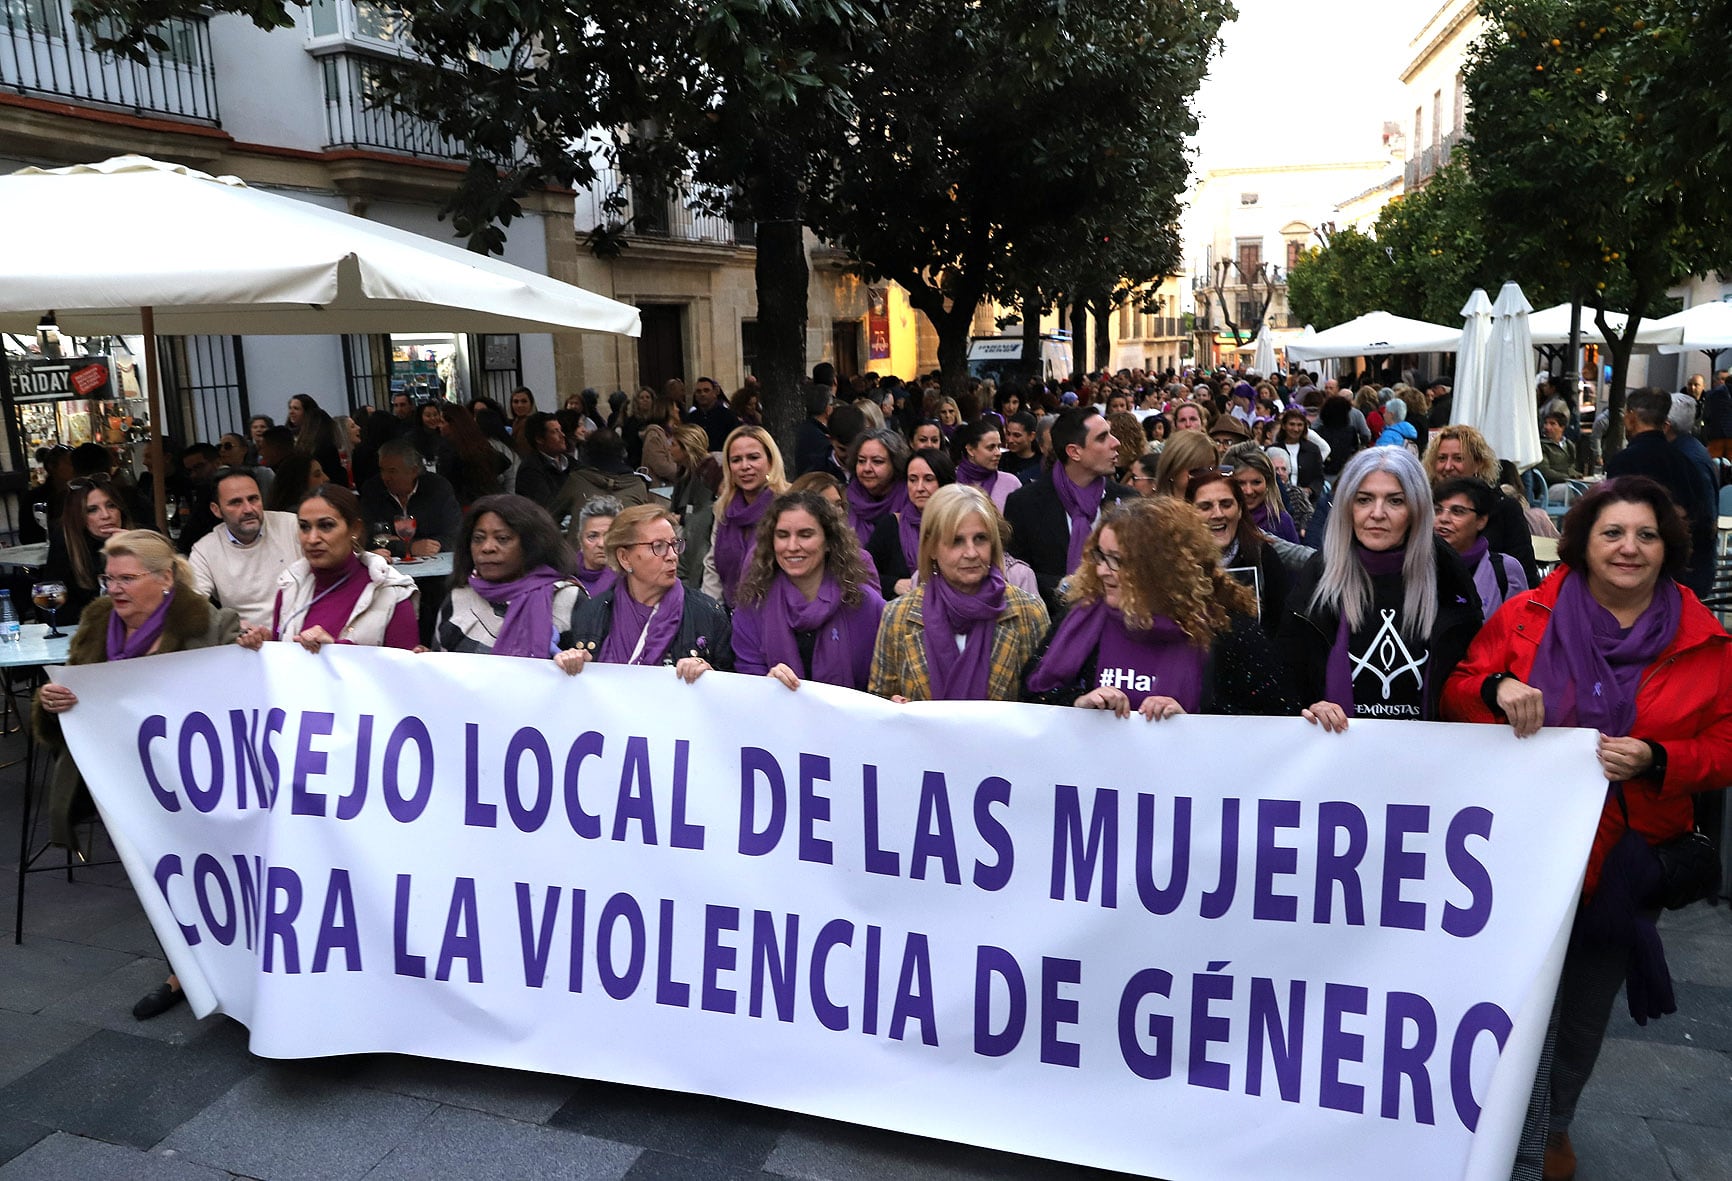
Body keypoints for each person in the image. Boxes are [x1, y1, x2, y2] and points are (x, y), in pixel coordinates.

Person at [1441, 476, 1732, 1181]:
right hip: (1519, 853)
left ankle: (1556, 1122)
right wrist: (1494, 687)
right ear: (1583, 541)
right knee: (1507, 999)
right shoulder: (1524, 617)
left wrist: (1662, 758)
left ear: (1668, 547)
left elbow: (1724, 747)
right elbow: (1455, 692)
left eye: (1646, 534)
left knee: (1583, 1006)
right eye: (1613, 532)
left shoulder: (1706, 641)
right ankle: (1484, 1117)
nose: (1629, 547)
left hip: (1630, 859)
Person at [36, 530, 243, 1021]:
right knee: (157, 876)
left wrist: (254, 648)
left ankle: (233, 966)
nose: (116, 589)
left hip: (197, 782)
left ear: (165, 579)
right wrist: (50, 703)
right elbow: (66, 692)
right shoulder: (96, 623)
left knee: (211, 873)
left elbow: (244, 696)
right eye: (110, 578)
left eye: (128, 578)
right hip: (121, 782)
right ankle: (181, 974)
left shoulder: (211, 625)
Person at [1025, 498, 1292, 716]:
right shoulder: (1080, 617)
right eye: (1101, 556)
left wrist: (1194, 718)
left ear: (1159, 570)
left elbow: (1276, 720)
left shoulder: (1227, 630)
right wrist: (1079, 704)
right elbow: (1029, 697)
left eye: (1117, 560)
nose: (1103, 571)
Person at [1283, 448, 1482, 729]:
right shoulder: (1317, 577)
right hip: (1336, 758)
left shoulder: (1448, 576)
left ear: (1416, 510)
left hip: (1430, 759)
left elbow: (1469, 679)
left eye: (1395, 501)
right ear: (1347, 508)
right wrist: (1311, 706)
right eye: (1364, 500)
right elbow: (1288, 682)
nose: (1377, 513)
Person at [869, 485, 1049, 702]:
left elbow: (1044, 704)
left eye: (980, 539)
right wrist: (893, 708)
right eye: (957, 541)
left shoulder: (1028, 612)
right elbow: (878, 701)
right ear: (932, 548)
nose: (971, 553)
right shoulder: (897, 616)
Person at [731, 490, 886, 691]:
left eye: (805, 535)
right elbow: (745, 683)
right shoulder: (752, 606)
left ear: (829, 541)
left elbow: (885, 687)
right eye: (782, 535)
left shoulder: (866, 605)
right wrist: (767, 685)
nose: (792, 546)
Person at [558, 504, 731, 678]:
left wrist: (709, 674)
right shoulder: (590, 613)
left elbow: (732, 686)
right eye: (658, 546)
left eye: (674, 544)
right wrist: (571, 663)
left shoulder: (708, 614)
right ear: (625, 558)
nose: (672, 556)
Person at [240, 483, 419, 651]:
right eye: (304, 527)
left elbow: (402, 673)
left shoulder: (391, 592)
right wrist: (266, 644)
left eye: (326, 526)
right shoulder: (289, 586)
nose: (312, 539)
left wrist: (335, 650)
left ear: (355, 530)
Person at [1004, 407, 1133, 613]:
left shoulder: (1128, 502)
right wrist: (1064, 586)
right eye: (1102, 437)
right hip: (1051, 623)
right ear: (1074, 452)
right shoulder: (1024, 503)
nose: (1116, 442)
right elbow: (1014, 572)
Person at [435, 494, 583, 657]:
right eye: (478, 538)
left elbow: (595, 675)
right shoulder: (459, 598)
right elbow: (440, 669)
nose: (487, 547)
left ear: (532, 544)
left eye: (502, 538)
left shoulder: (568, 599)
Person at [1604, 388, 1716, 601]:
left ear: (1631, 416)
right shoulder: (1685, 462)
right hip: (1683, 570)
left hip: (1639, 573)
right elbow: (1701, 516)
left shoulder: (1625, 461)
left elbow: (1616, 519)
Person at [1423, 425, 1542, 585]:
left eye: (1458, 458)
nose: (1448, 466)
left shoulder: (1504, 508)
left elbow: (1525, 574)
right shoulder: (1424, 506)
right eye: (1442, 458)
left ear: (1478, 463)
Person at [189, 468, 302, 627]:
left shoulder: (293, 525)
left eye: (253, 499)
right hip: (247, 642)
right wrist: (233, 628)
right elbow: (193, 606)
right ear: (216, 510)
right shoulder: (205, 550)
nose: (248, 509)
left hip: (302, 636)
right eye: (236, 502)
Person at [1185, 466, 1288, 634]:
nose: (1218, 514)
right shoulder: (1176, 562)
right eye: (1205, 507)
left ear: (1240, 510)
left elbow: (1280, 625)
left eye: (1226, 504)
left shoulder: (1263, 556)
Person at [702, 425, 790, 607]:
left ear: (771, 461)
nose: (745, 466)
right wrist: (712, 614)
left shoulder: (790, 504)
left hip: (779, 612)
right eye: (736, 460)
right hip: (731, 615)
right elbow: (713, 567)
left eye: (753, 457)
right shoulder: (724, 509)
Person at [1433, 477, 1529, 621]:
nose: (1443, 518)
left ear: (1481, 521)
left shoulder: (1505, 571)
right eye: (1437, 510)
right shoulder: (1415, 565)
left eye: (1457, 511)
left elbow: (1519, 631)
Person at [866, 447, 955, 596]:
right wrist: (893, 584)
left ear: (944, 482)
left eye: (928, 479)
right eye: (913, 480)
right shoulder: (892, 525)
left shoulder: (960, 524)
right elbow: (864, 573)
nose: (919, 488)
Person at [45, 474, 136, 616]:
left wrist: (134, 550)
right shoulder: (66, 546)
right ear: (79, 517)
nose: (105, 515)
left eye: (111, 506)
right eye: (92, 510)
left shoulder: (143, 537)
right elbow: (55, 611)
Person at [358, 439, 463, 556]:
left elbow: (455, 535)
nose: (385, 477)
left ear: (414, 471)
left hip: (435, 565)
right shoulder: (373, 490)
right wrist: (409, 547)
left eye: (392, 471)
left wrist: (427, 546)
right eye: (382, 470)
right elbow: (367, 540)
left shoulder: (437, 488)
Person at [1224, 445, 1301, 545]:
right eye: (1240, 483)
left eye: (1256, 482)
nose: (1248, 491)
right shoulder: (1218, 519)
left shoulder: (1281, 521)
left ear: (1268, 483)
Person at [951, 419, 1022, 511]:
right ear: (970, 450)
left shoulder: (1011, 483)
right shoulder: (951, 481)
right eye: (991, 447)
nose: (998, 453)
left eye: (999, 447)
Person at [512, 412, 571, 512]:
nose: (562, 435)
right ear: (540, 439)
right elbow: (548, 507)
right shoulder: (530, 469)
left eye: (561, 430)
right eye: (555, 432)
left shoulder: (571, 462)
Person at [571, 495, 621, 597]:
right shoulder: (561, 577)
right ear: (580, 540)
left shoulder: (631, 582)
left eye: (609, 536)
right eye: (592, 536)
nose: (601, 544)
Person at [1270, 408, 1326, 499]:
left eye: (1300, 425)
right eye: (1292, 424)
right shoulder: (1273, 449)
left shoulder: (1313, 450)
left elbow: (1319, 478)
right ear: (1284, 426)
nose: (1296, 429)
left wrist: (1309, 490)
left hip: (1306, 501)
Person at [1149, 429, 1217, 499]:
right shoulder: (1154, 509)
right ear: (1172, 471)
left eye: (1211, 469)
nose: (1206, 476)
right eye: (1196, 471)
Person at [639, 392, 685, 483]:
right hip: (660, 489)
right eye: (675, 406)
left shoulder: (675, 433)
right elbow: (661, 467)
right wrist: (685, 475)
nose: (678, 410)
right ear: (669, 410)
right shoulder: (654, 436)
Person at [686, 375, 740, 452]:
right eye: (699, 391)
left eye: (706, 390)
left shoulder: (728, 416)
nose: (702, 394)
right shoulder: (691, 418)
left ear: (714, 393)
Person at [999, 412, 1042, 480]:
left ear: (1031, 436)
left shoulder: (1042, 463)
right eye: (1008, 434)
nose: (1010, 440)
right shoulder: (1001, 460)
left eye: (1017, 435)